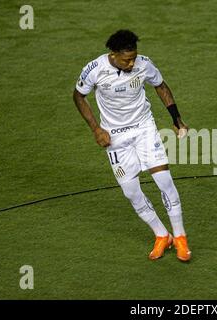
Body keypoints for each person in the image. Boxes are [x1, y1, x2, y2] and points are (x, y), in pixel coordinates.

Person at [72, 30, 191, 262]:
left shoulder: (144, 64)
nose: (132, 62)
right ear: (113, 54)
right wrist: (96, 129)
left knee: (164, 180)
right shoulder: (94, 69)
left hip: (144, 128)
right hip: (115, 137)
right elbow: (78, 96)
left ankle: (180, 237)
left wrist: (176, 119)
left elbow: (161, 86)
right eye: (127, 59)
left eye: (134, 57)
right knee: (131, 191)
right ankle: (161, 235)